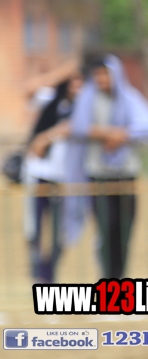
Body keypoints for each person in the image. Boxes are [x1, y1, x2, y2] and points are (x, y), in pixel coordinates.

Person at [68, 54, 148, 279]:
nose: (102, 79)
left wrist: (124, 135)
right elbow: (78, 128)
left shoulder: (129, 98)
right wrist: (107, 133)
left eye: (105, 74)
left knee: (124, 230)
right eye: (98, 74)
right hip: (98, 175)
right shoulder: (88, 99)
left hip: (125, 174)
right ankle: (107, 279)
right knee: (105, 229)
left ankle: (120, 280)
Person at [23, 73, 85, 282]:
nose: (76, 90)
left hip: (66, 178)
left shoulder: (84, 109)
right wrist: (63, 70)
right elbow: (29, 89)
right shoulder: (51, 101)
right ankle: (37, 273)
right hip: (39, 173)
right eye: (73, 85)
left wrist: (46, 137)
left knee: (61, 231)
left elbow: (71, 129)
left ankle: (49, 274)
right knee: (34, 227)